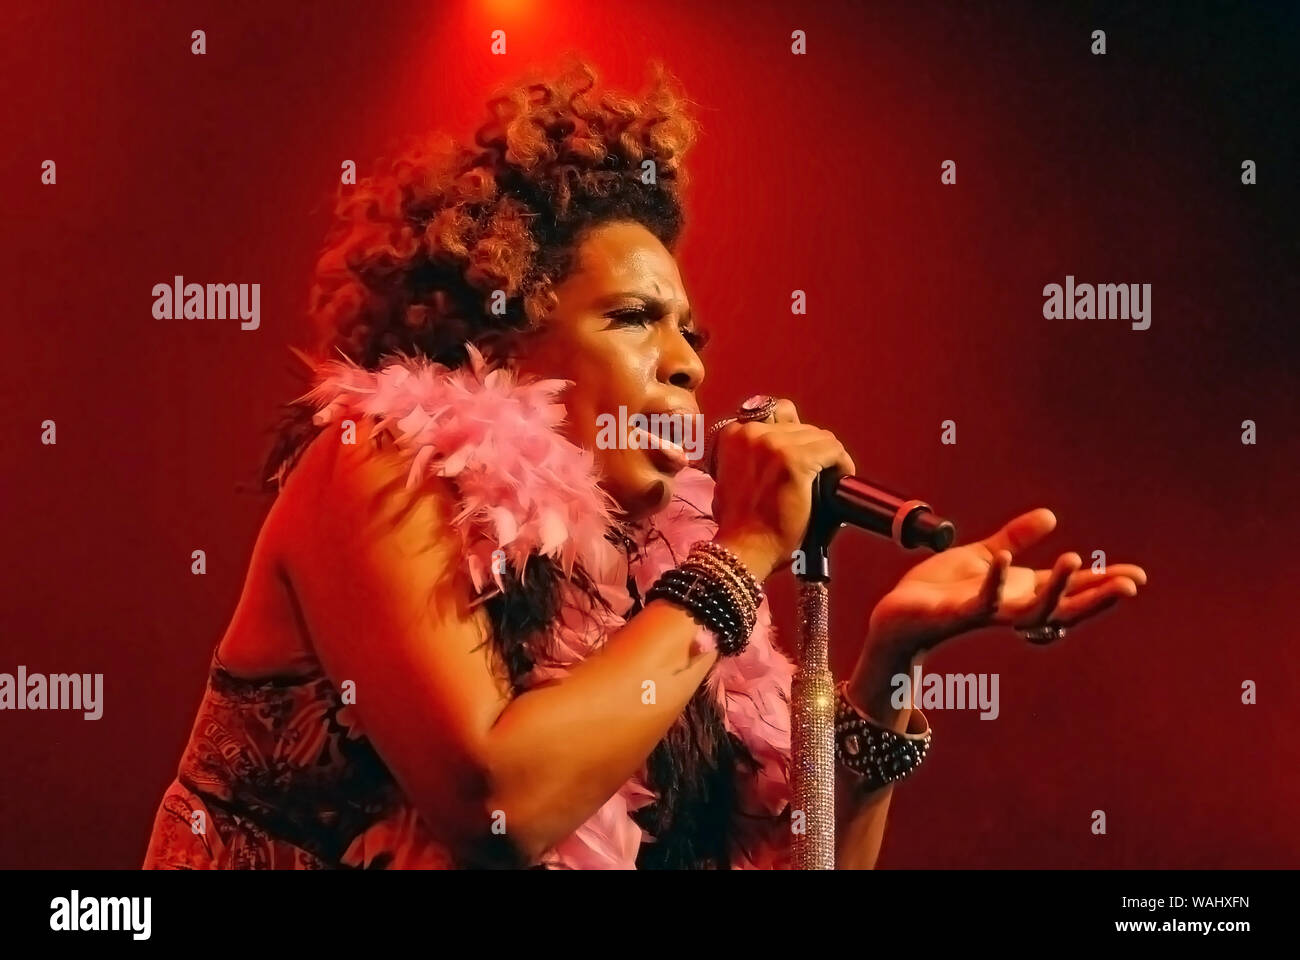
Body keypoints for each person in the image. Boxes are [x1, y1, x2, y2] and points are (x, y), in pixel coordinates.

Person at [143, 57, 1146, 870]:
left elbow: (790, 866)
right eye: (633, 320)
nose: (685, 363)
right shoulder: (373, 464)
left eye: (693, 336)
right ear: (501, 338)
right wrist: (748, 547)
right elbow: (500, 810)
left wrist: (888, 661)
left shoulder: (665, 576)